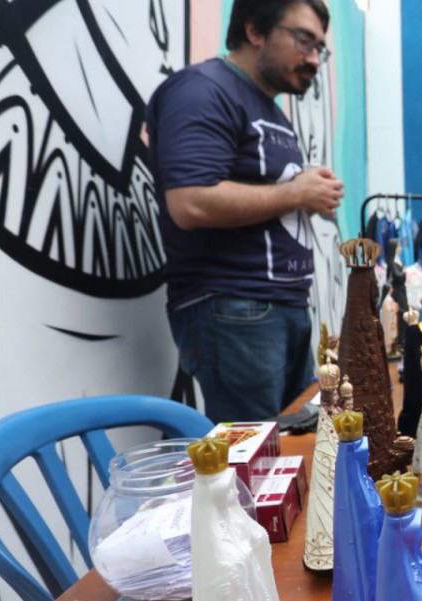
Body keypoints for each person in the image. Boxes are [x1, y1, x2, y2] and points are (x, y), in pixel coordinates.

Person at [146, 0, 343, 424]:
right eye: (304, 40)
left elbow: (265, 193)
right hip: (235, 309)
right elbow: (190, 202)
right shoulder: (202, 90)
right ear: (255, 31)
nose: (313, 59)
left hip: (277, 310)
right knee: (257, 455)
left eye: (319, 48)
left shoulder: (269, 108)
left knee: (290, 450)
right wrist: (297, 193)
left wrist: (308, 193)